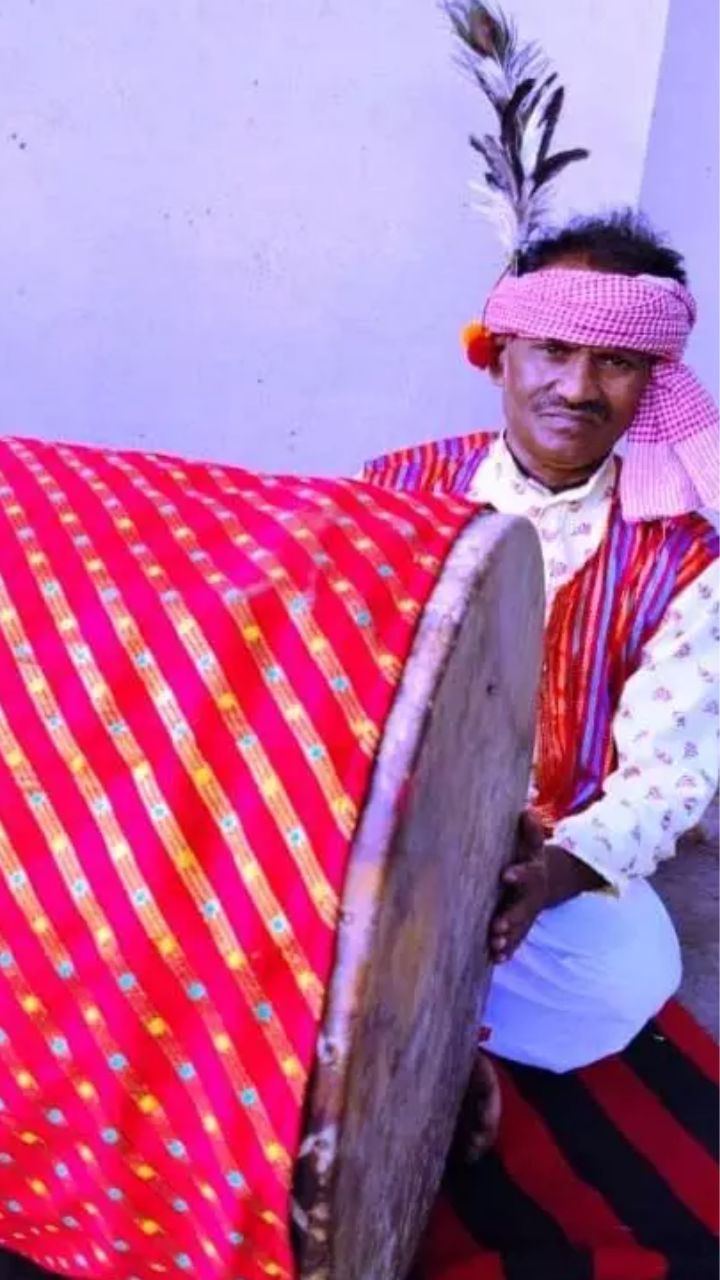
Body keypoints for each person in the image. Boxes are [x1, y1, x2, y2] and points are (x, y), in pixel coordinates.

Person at [360, 211, 719, 1094]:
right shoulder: (393, 493)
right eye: (554, 350)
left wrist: (540, 880)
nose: (579, 387)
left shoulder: (686, 557)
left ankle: (412, 1029)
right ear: (499, 356)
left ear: (652, 381)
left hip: (535, 861)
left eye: (617, 361)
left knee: (628, 973)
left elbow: (667, 779)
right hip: (364, 831)